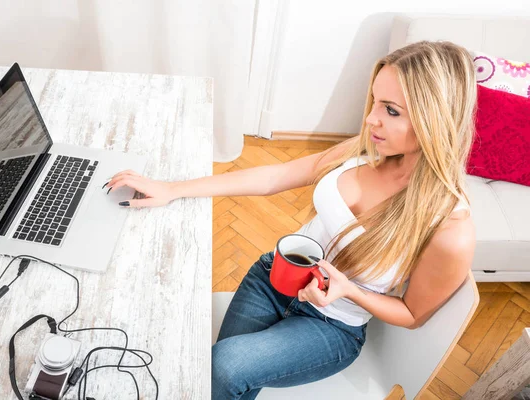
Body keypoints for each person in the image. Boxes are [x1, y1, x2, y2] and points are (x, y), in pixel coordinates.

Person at [104, 40, 477, 399]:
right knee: (217, 377)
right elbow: (274, 178)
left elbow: (412, 314)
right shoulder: (367, 147)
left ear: (435, 120)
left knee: (223, 366)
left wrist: (348, 290)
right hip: (273, 278)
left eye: (391, 110)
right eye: (376, 102)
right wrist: (172, 188)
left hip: (331, 325)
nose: (370, 119)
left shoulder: (449, 228)